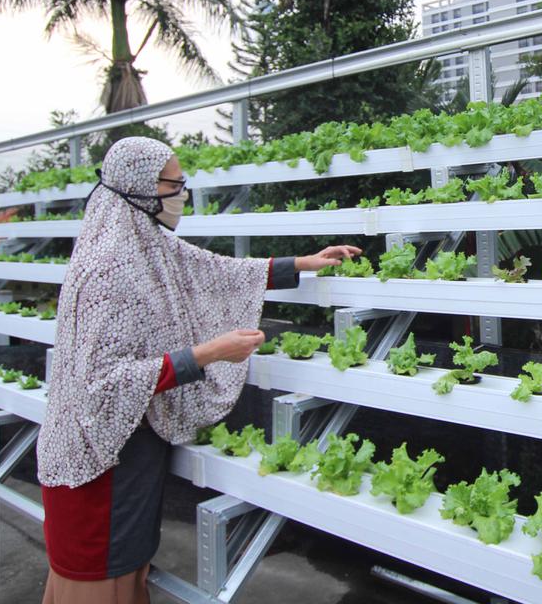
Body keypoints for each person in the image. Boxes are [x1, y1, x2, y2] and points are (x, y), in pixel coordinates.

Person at [35, 137, 360, 603]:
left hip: (124, 458)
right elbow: (102, 388)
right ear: (140, 188)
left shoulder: (140, 243)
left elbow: (212, 273)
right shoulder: (109, 267)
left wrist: (303, 265)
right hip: (99, 473)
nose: (181, 195)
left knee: (127, 577)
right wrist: (207, 354)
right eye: (174, 184)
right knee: (102, 585)